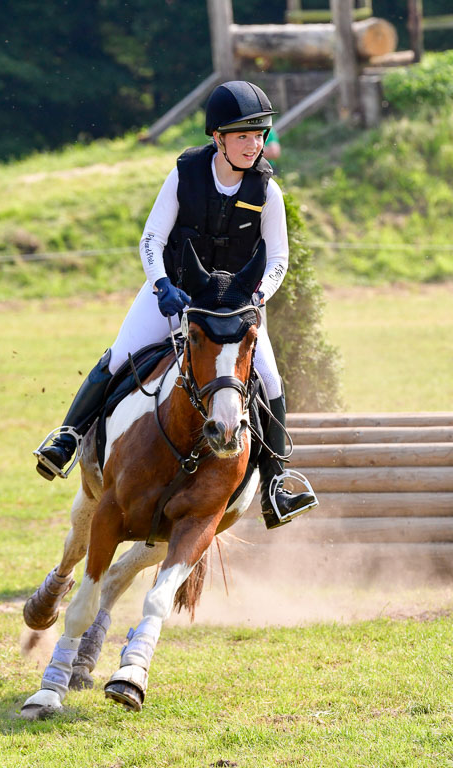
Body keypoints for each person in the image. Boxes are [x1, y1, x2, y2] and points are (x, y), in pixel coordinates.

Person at [35, 80, 316, 529]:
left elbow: (278, 258)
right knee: (120, 356)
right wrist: (162, 284)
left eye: (259, 135)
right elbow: (151, 239)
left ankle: (277, 482)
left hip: (231, 310)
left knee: (270, 379)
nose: (253, 145)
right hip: (175, 293)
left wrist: (259, 295)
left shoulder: (268, 192)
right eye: (242, 135)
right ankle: (66, 438)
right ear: (217, 137)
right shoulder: (185, 174)